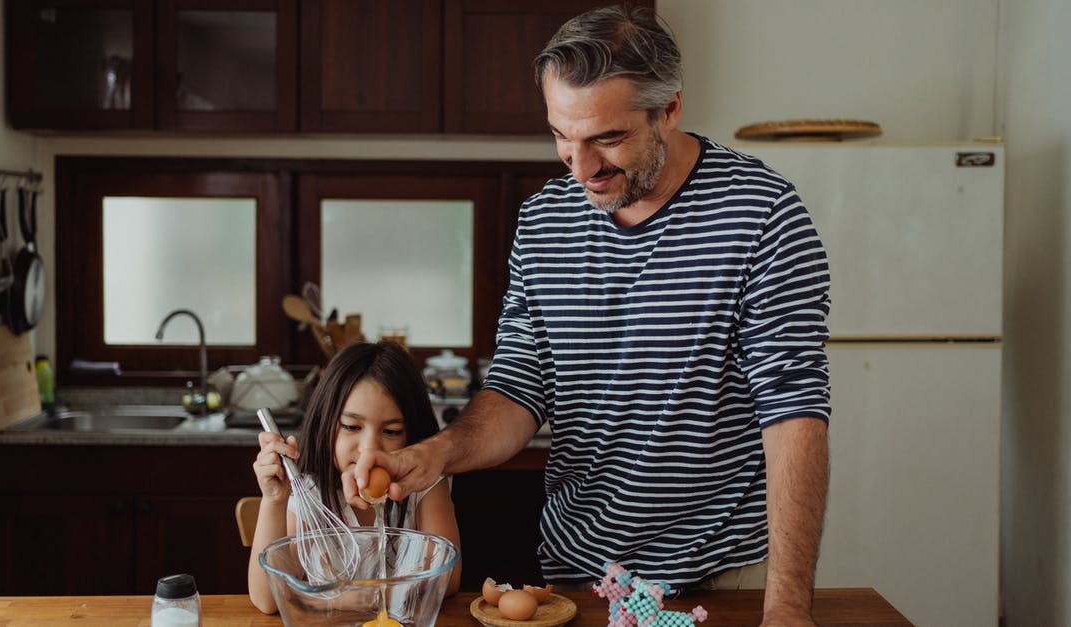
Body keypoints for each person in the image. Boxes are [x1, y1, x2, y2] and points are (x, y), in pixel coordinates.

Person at [351, 5, 830, 626]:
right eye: (561, 136)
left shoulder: (763, 216)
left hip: (721, 576)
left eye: (607, 139)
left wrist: (788, 607)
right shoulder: (546, 220)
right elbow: (519, 389)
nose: (581, 169)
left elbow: (795, 417)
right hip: (578, 576)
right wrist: (437, 454)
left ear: (670, 109)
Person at [246, 341, 462, 614]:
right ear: (324, 425)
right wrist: (274, 500)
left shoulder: (425, 484)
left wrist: (325, 601)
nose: (369, 448)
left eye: (392, 431)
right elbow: (268, 599)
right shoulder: (310, 494)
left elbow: (447, 580)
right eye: (351, 426)